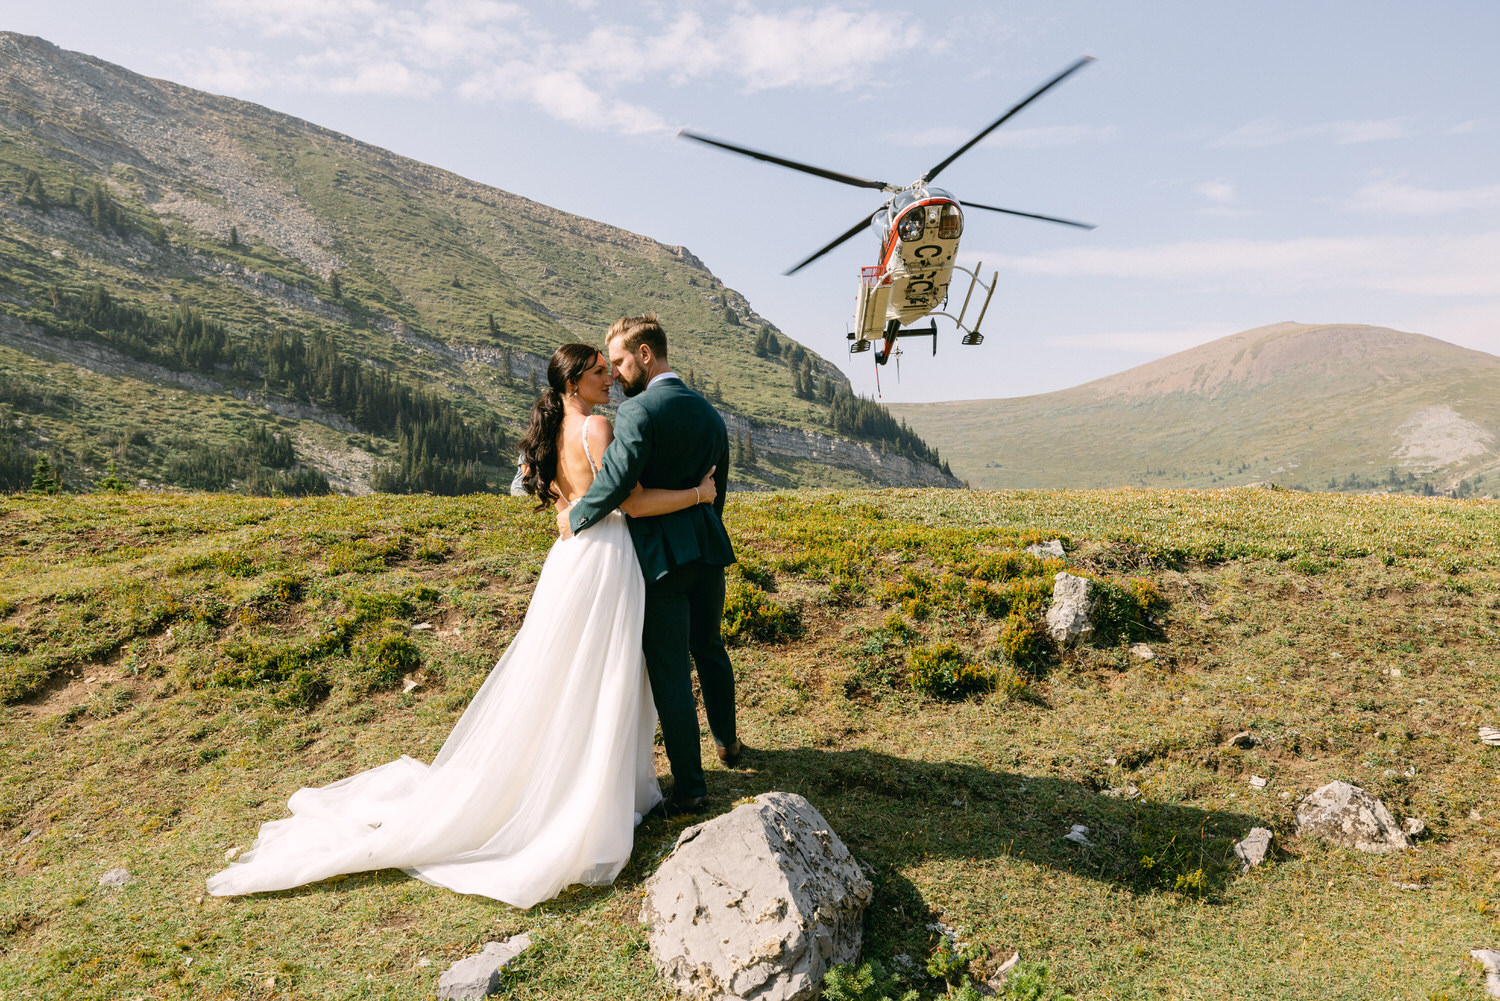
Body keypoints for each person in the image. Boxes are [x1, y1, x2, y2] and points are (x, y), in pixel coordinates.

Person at [206, 342, 716, 908]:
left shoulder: (548, 436)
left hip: (569, 560)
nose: (609, 381)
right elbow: (629, 499)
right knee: (605, 670)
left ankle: (566, 780)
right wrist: (698, 492)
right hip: (606, 555)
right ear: (573, 384)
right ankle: (591, 790)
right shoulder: (596, 428)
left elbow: (558, 499)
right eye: (599, 373)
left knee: (562, 673)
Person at [563, 313, 741, 816]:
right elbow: (716, 491)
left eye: (619, 361)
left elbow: (617, 482)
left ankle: (690, 787)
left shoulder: (639, 413)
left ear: (645, 355)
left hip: (661, 561)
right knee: (710, 647)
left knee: (670, 673)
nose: (615, 373)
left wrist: (577, 517)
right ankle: (729, 742)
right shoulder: (710, 414)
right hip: (708, 550)